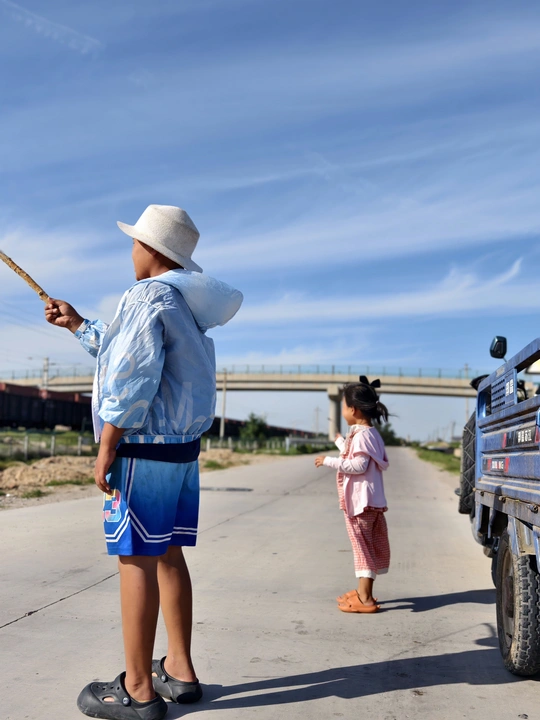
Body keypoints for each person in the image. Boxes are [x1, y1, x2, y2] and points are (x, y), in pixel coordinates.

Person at [45, 204, 243, 720]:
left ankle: (137, 690)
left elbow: (131, 375)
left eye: (134, 242)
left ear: (150, 248)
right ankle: (179, 669)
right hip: (180, 453)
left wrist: (107, 445)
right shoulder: (183, 304)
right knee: (169, 553)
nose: (130, 251)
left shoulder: (145, 295)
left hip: (141, 451)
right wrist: (77, 324)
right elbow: (128, 352)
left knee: (135, 559)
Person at [314, 376, 390, 614]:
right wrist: (340, 442)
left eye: (344, 407)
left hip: (361, 503)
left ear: (353, 410)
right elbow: (357, 453)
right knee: (367, 547)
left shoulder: (361, 436)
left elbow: (358, 465)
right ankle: (362, 592)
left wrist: (328, 461)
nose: (343, 411)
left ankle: (365, 599)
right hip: (371, 502)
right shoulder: (370, 434)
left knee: (362, 550)